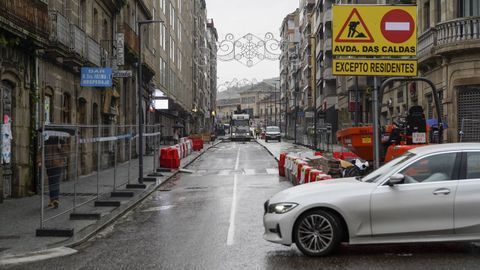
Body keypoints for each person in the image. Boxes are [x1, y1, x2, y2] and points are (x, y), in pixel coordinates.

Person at [43, 136, 67, 208]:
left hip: (58, 165)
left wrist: (60, 148)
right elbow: (41, 152)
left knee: (55, 182)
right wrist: (39, 161)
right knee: (51, 182)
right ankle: (52, 200)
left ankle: (56, 200)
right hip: (49, 165)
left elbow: (66, 153)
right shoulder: (46, 142)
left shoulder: (61, 142)